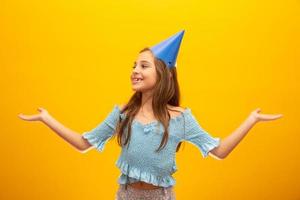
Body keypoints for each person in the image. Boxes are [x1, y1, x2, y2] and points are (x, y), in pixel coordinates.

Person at [18, 30, 283, 200]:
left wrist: (251, 120)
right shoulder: (124, 113)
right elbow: (83, 143)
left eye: (143, 65)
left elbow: (220, 150)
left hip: (162, 197)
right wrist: (47, 118)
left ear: (163, 73)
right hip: (126, 196)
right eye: (134, 65)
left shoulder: (180, 118)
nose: (135, 70)